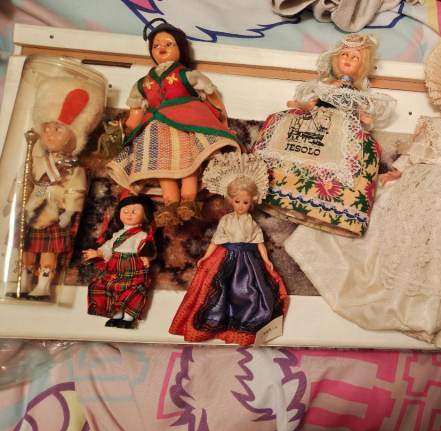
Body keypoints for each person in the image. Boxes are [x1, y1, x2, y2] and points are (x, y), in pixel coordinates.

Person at [284, 31, 441, 348]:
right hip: (425, 183)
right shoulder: (435, 126)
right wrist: (396, 171)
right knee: (402, 233)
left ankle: (435, 315)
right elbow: (416, 154)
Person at [252, 33, 395, 237]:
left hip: (342, 126)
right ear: (335, 58)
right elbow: (314, 102)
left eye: (355, 57)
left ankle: (325, 207)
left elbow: (358, 110)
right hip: (318, 119)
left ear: (362, 66)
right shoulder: (327, 85)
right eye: (344, 54)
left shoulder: (357, 93)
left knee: (363, 149)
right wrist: (302, 105)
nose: (348, 59)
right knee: (287, 131)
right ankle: (280, 193)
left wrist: (363, 116)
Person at [107, 19, 240, 227]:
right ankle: (170, 203)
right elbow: (135, 112)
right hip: (156, 129)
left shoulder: (187, 75)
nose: (161, 48)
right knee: (161, 167)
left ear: (180, 49)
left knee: (189, 163)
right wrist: (127, 129)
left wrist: (221, 122)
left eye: (169, 44)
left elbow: (212, 99)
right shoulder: (144, 83)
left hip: (186, 123)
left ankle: (188, 200)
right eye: (156, 45)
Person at [169, 152, 288, 346]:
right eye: (237, 201)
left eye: (245, 202)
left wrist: (266, 260)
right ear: (231, 200)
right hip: (226, 255)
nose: (241, 206)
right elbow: (216, 240)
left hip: (248, 257)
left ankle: (242, 323)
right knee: (217, 288)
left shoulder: (251, 222)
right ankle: (216, 321)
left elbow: (259, 242)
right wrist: (206, 257)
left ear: (252, 202)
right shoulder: (226, 219)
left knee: (250, 290)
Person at [19, 76, 105, 299]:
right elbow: (29, 182)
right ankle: (24, 280)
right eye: (47, 129)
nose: (49, 134)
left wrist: (69, 211)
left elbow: (76, 190)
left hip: (56, 212)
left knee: (49, 250)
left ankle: (44, 284)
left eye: (57, 129)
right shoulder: (37, 160)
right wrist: (17, 201)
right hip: (35, 208)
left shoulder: (73, 167)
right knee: (27, 248)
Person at [83, 194, 156, 329]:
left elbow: (147, 247)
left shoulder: (142, 235)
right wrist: (98, 253)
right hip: (114, 265)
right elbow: (108, 247)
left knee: (131, 290)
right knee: (110, 288)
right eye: (125, 211)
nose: (129, 214)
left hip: (132, 265)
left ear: (145, 215)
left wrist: (146, 257)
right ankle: (115, 315)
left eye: (134, 211)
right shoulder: (117, 234)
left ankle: (128, 317)